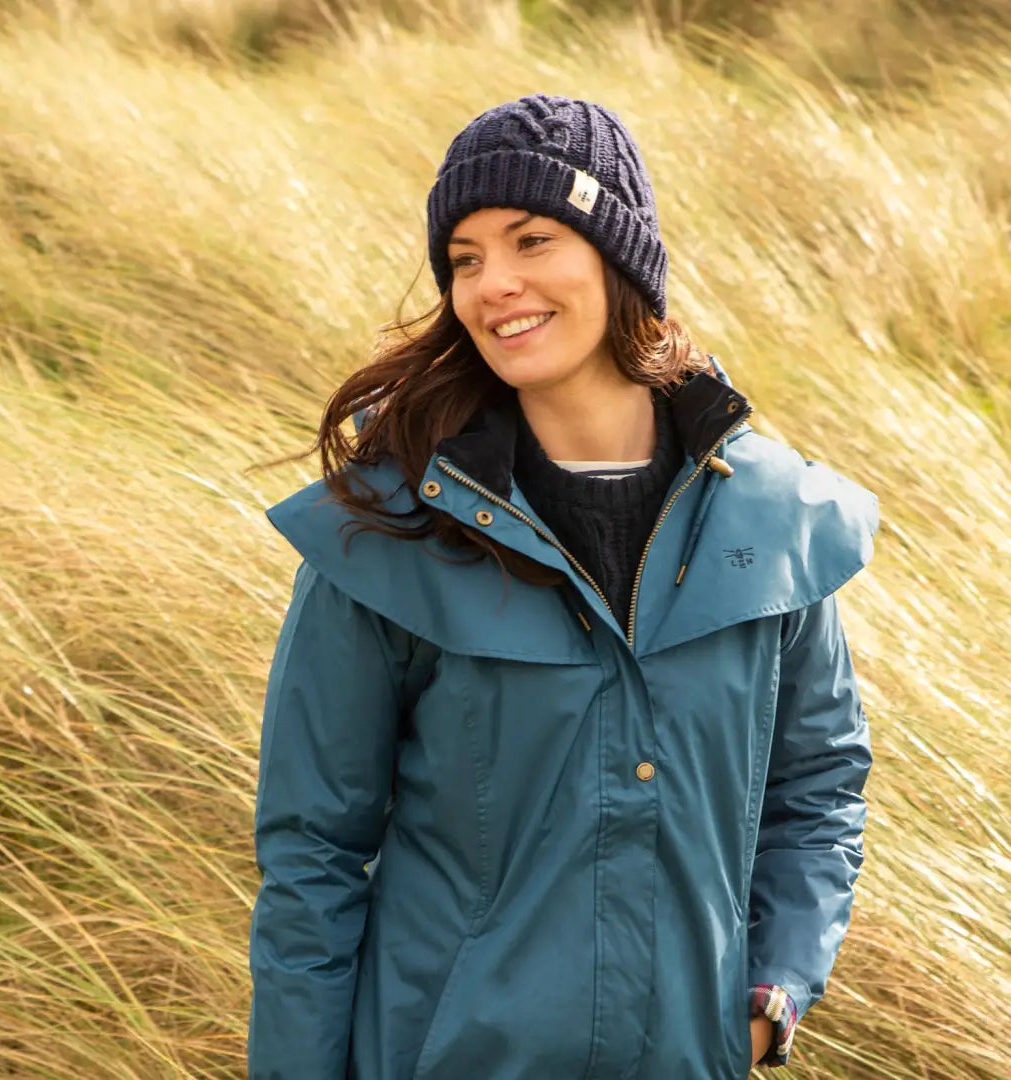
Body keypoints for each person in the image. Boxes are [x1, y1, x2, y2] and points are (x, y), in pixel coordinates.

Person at [248, 94, 879, 1080]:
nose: (494, 284)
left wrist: (773, 991)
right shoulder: (392, 530)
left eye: (532, 239)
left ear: (618, 255)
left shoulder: (770, 517)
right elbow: (312, 857)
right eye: (464, 258)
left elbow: (819, 785)